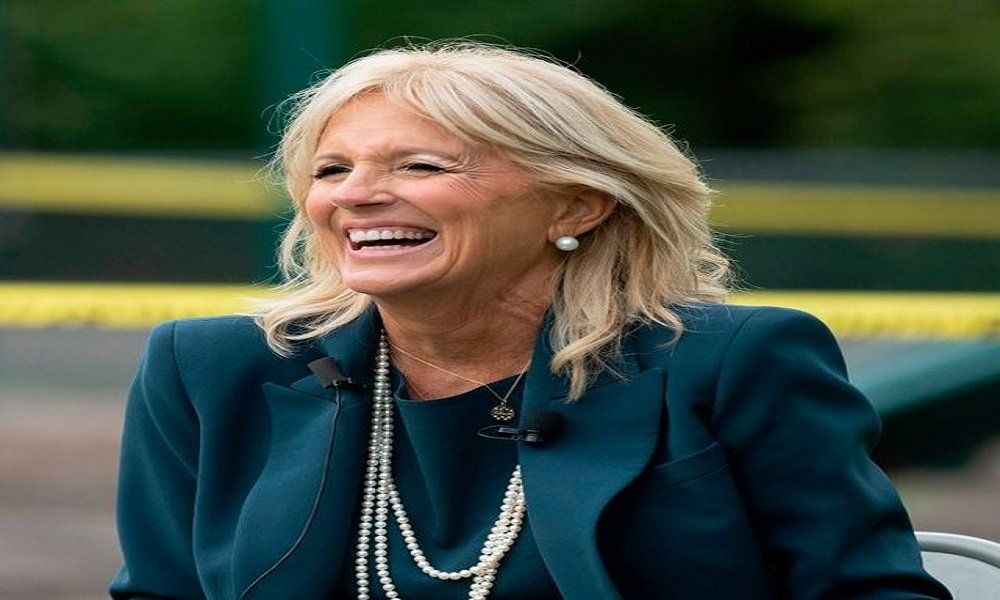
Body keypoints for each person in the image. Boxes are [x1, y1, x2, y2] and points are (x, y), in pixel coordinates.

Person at [110, 42, 950, 600]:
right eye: (331, 170)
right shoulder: (209, 368)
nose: (355, 195)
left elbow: (870, 591)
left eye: (420, 166)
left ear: (578, 202)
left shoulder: (736, 362)